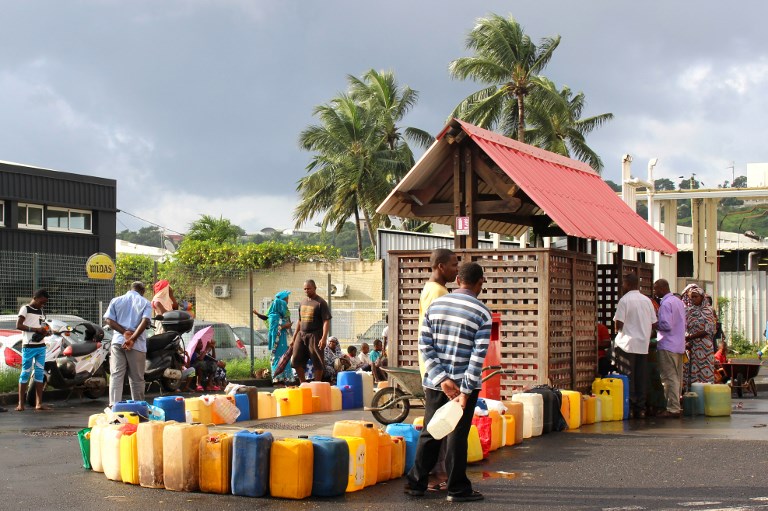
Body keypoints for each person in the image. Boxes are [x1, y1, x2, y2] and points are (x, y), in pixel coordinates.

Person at [405, 262, 491, 503]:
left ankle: (416, 483)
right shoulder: (482, 313)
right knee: (457, 435)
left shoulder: (436, 306)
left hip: (435, 383)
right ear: (480, 282)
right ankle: (457, 488)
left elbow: (424, 345)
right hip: (464, 386)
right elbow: (477, 358)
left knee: (432, 430)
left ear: (458, 280)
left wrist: (441, 379)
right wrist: (465, 391)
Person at [613, 273, 657, 419]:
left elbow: (618, 324)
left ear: (628, 284)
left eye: (623, 283)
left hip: (627, 345)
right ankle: (641, 408)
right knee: (641, 377)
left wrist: (618, 330)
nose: (622, 286)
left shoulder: (624, 300)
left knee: (628, 377)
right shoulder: (647, 301)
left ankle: (630, 407)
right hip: (643, 345)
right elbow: (654, 323)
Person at [104, 281, 152, 406]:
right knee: (136, 378)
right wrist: (132, 339)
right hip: (136, 345)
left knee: (116, 375)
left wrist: (124, 332)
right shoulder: (145, 302)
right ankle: (138, 406)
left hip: (118, 342)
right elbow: (145, 321)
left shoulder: (116, 300)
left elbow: (109, 320)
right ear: (142, 291)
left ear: (131, 288)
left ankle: (114, 405)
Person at [418, 248, 460, 378]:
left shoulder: (432, 288)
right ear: (441, 266)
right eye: (454, 265)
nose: (457, 269)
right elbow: (438, 334)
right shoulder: (437, 292)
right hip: (439, 372)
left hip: (434, 370)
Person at [653, 279, 687, 418]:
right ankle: (676, 405)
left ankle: (672, 408)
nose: (654, 292)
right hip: (679, 345)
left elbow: (666, 325)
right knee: (677, 377)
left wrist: (654, 324)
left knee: (669, 378)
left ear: (662, 289)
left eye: (656, 289)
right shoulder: (678, 302)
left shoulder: (666, 303)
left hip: (667, 344)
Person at [15, 289, 52, 411]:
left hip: (41, 346)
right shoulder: (25, 309)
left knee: (39, 374)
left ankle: (39, 403)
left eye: (45, 303)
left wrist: (46, 331)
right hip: (28, 347)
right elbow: (18, 325)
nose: (43, 305)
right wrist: (35, 329)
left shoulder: (41, 311)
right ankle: (21, 404)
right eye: (41, 302)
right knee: (25, 373)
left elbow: (43, 326)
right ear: (35, 298)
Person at [291, 279, 331, 383]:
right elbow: (300, 321)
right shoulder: (302, 302)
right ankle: (303, 383)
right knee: (296, 361)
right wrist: (294, 337)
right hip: (302, 335)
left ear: (314, 288)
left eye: (309, 288)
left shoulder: (321, 303)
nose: (307, 290)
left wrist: (324, 338)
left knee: (318, 362)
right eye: (305, 289)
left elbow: (326, 321)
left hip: (315, 335)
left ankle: (317, 384)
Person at [681, 284, 717, 388]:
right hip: (691, 346)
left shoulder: (708, 310)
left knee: (704, 369)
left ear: (702, 297)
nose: (693, 299)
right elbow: (684, 326)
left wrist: (690, 337)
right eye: (691, 297)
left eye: (695, 297)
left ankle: (706, 393)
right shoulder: (689, 311)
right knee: (691, 370)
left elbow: (708, 330)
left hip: (704, 346)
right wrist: (686, 338)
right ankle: (692, 393)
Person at [266, 290, 293, 384]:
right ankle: (277, 380)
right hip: (277, 343)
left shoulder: (282, 316)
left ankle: (284, 379)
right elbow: (273, 330)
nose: (287, 301)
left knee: (284, 359)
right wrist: (285, 326)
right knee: (277, 359)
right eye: (286, 299)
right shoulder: (273, 316)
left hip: (283, 341)